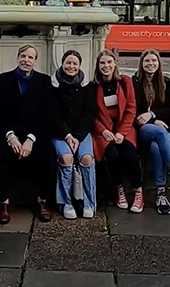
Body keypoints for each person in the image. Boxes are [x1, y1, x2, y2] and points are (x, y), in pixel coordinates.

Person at [0, 45, 55, 224]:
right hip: (9, 132)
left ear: (35, 61)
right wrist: (11, 137)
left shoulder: (44, 81)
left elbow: (47, 115)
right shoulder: (3, 79)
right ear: (18, 57)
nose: (26, 60)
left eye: (30, 57)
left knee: (47, 155)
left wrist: (31, 139)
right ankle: (3, 202)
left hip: (35, 133)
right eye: (23, 56)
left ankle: (42, 201)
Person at [132, 49, 170, 215]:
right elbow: (132, 111)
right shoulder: (134, 82)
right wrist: (152, 120)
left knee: (156, 148)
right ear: (142, 64)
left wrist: (153, 115)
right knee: (160, 133)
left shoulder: (164, 82)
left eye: (154, 61)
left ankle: (160, 192)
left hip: (159, 126)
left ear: (158, 64)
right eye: (147, 61)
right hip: (142, 129)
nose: (150, 64)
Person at [91, 49, 143, 213]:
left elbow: (131, 109)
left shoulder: (125, 82)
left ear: (115, 64)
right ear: (98, 66)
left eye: (109, 62)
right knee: (111, 155)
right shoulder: (93, 87)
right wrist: (103, 130)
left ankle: (138, 191)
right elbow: (91, 114)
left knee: (130, 154)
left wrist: (121, 132)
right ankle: (119, 189)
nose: (106, 66)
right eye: (102, 63)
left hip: (123, 129)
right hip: (104, 132)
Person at [51, 50, 98, 220]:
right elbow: (53, 114)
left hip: (81, 133)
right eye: (68, 63)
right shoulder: (53, 86)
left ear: (79, 66)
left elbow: (90, 113)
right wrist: (67, 135)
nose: (71, 66)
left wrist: (77, 136)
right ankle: (66, 202)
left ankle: (89, 202)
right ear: (62, 64)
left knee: (86, 158)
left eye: (75, 63)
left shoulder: (87, 87)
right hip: (60, 133)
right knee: (66, 158)